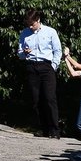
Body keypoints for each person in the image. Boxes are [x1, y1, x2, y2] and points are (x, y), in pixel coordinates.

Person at [19, 10, 62, 138]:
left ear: (38, 21)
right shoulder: (25, 33)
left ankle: (55, 130)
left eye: (32, 24)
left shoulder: (50, 32)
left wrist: (53, 66)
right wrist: (24, 53)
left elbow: (57, 50)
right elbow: (19, 53)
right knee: (36, 100)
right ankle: (44, 129)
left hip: (46, 66)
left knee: (49, 98)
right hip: (32, 66)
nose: (30, 27)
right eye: (28, 25)